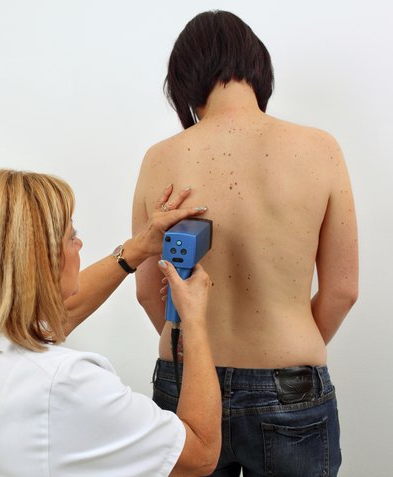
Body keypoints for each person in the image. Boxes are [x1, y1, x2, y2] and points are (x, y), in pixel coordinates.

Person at [133, 10, 358, 476]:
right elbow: (342, 290)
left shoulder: (160, 158)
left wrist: (189, 353)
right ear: (258, 68)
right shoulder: (320, 149)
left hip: (184, 380)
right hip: (290, 387)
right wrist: (289, 355)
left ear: (185, 80)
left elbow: (144, 289)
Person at [0, 169, 222, 476]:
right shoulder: (64, 383)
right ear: (39, 261)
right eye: (71, 236)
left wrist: (137, 248)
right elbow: (199, 456)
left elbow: (59, 317)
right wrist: (194, 321)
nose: (79, 244)